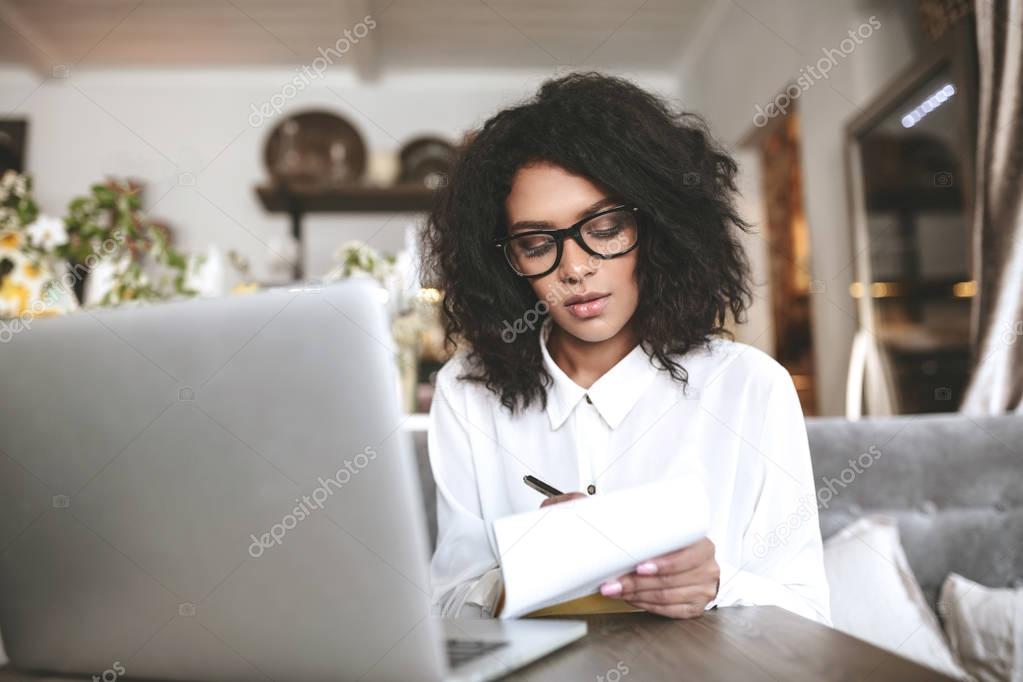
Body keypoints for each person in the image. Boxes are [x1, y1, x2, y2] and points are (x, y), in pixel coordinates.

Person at [419, 72, 830, 624]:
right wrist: (528, 567)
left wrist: (713, 584)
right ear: (506, 264)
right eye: (537, 243)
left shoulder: (750, 388)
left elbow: (809, 612)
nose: (575, 267)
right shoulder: (466, 392)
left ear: (659, 228)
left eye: (605, 227)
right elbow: (444, 607)